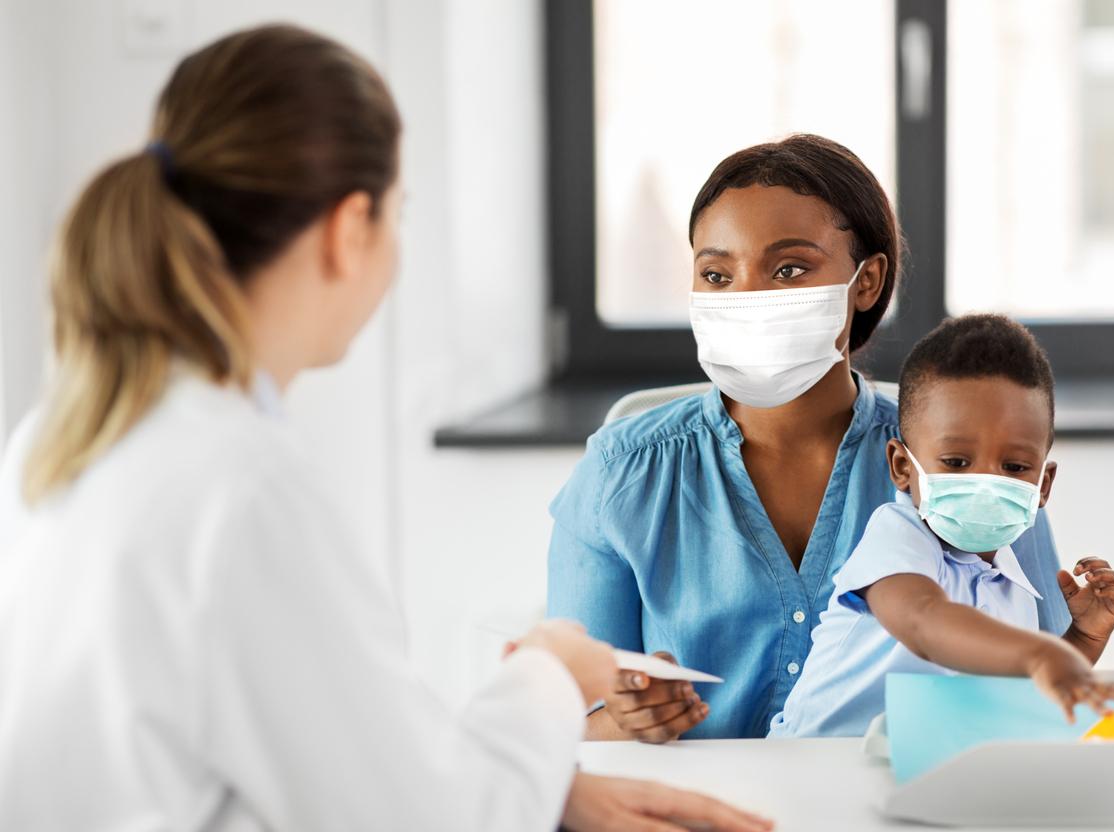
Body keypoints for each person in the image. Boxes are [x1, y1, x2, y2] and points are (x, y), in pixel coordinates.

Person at [0, 25, 771, 832]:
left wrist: (553, 788)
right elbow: (424, 819)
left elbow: (316, 753)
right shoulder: (242, 488)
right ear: (350, 228)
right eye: (398, 213)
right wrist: (553, 673)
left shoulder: (63, 441)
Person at [548, 135, 1073, 742]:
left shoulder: (971, 462)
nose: (746, 299)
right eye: (717, 274)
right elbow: (566, 725)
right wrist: (627, 717)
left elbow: (1044, 686)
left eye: (789, 269)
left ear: (867, 281)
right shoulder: (621, 473)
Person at [768, 314, 1114, 738]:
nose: (985, 483)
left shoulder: (1013, 586)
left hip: (910, 764)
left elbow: (1021, 691)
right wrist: (1039, 654)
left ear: (1044, 485)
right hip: (812, 763)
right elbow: (924, 622)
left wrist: (1082, 639)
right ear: (901, 467)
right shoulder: (897, 536)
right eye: (956, 462)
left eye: (1015, 466)